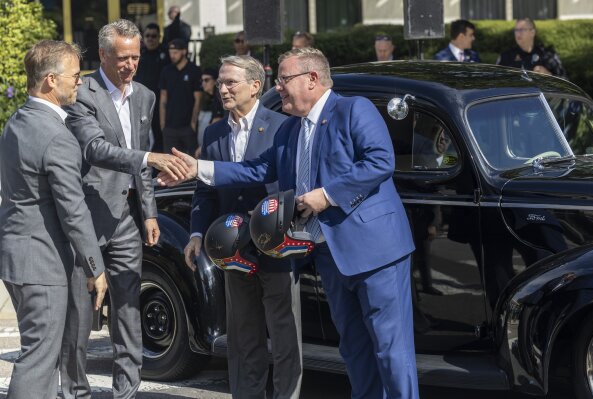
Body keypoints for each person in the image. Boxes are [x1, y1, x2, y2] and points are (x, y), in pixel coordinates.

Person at [159, 47, 420, 398]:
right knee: (354, 350)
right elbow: (254, 169)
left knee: (391, 351)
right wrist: (198, 168)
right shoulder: (291, 131)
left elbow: (380, 161)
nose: (278, 87)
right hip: (331, 256)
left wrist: (325, 195)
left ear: (312, 79)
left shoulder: (352, 109)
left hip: (376, 253)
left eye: (284, 79)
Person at [59, 19, 189, 399]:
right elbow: (95, 149)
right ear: (103, 55)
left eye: (136, 56)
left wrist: (148, 212)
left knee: (129, 307)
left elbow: (140, 167)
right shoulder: (83, 94)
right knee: (82, 313)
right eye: (122, 57)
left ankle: (126, 392)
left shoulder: (145, 96)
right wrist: (151, 157)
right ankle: (75, 391)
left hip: (128, 220)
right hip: (87, 218)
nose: (131, 64)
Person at [186, 55, 302, 398]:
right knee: (243, 337)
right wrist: (196, 234)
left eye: (230, 82)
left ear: (255, 85)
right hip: (233, 250)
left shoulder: (283, 126)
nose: (222, 89)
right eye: (220, 82)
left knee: (284, 337)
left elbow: (292, 183)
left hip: (276, 247)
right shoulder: (213, 132)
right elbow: (204, 191)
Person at [0, 40, 107, 399]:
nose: (80, 82)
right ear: (50, 80)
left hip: (18, 257)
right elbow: (73, 211)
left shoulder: (18, 119)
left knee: (39, 358)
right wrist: (96, 267)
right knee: (39, 361)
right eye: (75, 76)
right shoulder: (55, 136)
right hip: (42, 264)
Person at [160, 38, 202, 156]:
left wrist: (193, 123)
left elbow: (198, 99)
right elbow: (163, 98)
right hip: (170, 127)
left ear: (184, 52)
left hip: (188, 127)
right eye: (170, 52)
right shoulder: (166, 71)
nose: (172, 55)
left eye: (175, 52)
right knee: (171, 164)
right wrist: (162, 124)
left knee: (192, 163)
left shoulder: (194, 70)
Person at [135, 22, 169, 152]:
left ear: (159, 37)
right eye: (147, 35)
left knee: (159, 134)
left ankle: (156, 169)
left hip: (159, 102)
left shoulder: (165, 54)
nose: (150, 39)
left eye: (154, 36)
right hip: (140, 101)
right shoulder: (138, 53)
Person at [497, 17, 567, 78]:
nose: (518, 33)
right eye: (516, 30)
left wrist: (548, 75)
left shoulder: (547, 55)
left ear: (532, 32)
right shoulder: (506, 56)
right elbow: (496, 81)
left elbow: (565, 82)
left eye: (522, 30)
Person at [195, 67, 224, 157]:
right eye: (202, 80)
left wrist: (203, 145)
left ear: (215, 81)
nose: (203, 83)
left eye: (206, 80)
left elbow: (216, 122)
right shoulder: (210, 97)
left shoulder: (219, 97)